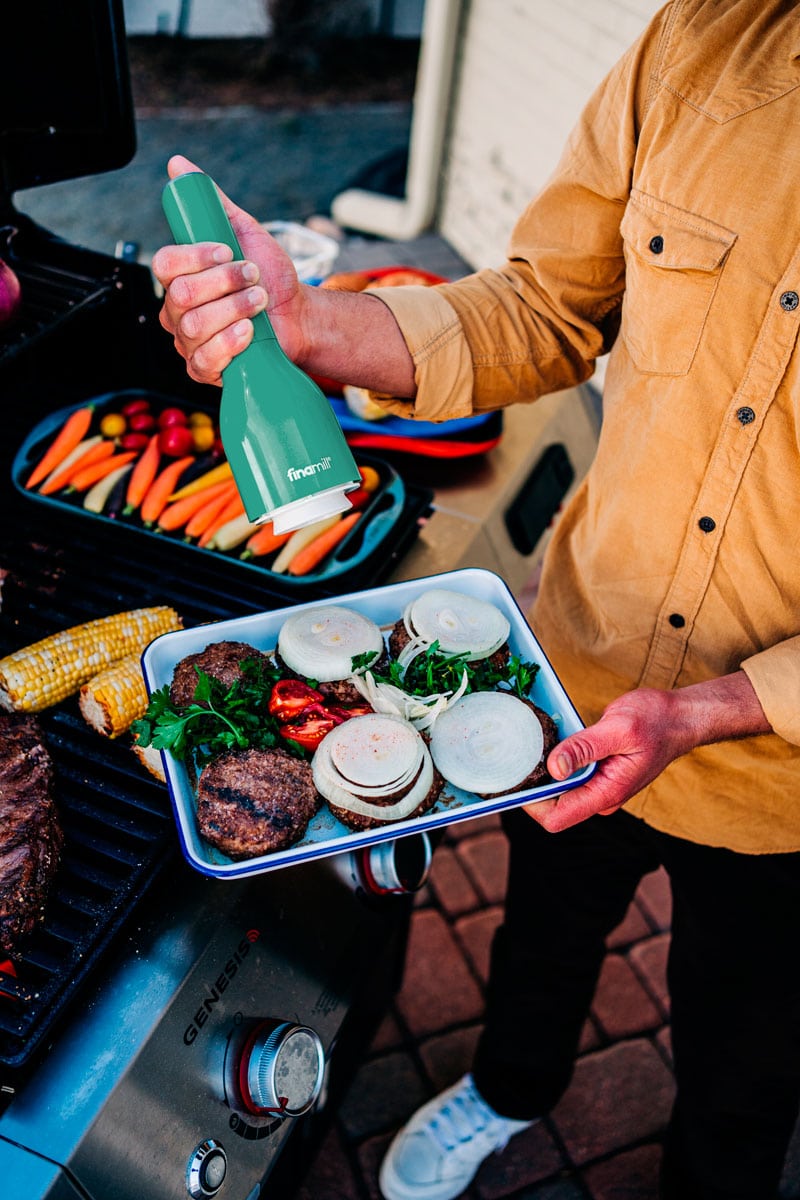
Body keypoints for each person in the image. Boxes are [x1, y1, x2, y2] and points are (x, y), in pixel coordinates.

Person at [151, 2, 800, 1196]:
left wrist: (715, 708)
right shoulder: (706, 38)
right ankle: (508, 1090)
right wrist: (311, 326)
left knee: (749, 1059)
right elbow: (547, 305)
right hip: (577, 671)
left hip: (785, 789)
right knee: (541, 940)